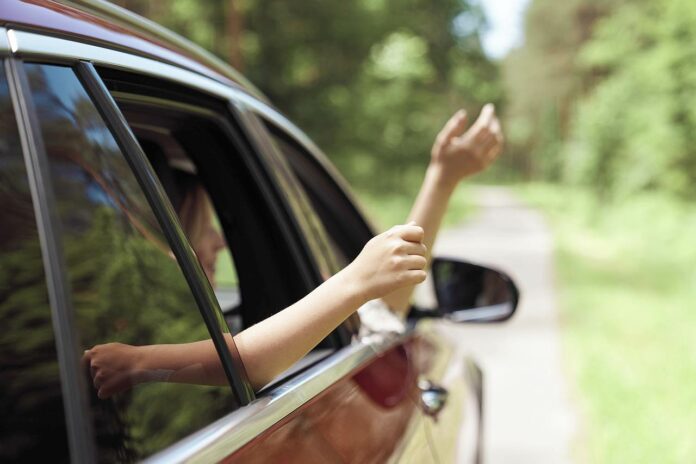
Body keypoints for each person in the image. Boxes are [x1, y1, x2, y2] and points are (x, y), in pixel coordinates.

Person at [84, 104, 503, 398]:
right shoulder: (139, 344)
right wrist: (355, 280)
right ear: (156, 242)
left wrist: (443, 179)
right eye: (199, 223)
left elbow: (383, 308)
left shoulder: (173, 326)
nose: (219, 240)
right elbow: (244, 363)